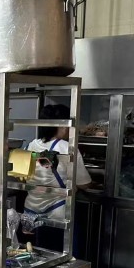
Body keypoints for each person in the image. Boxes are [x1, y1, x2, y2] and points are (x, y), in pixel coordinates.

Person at [23, 104, 91, 250]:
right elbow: (84, 183)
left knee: (36, 252)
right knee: (61, 254)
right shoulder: (67, 147)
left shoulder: (31, 145)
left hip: (30, 210)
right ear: (62, 125)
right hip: (57, 211)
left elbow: (23, 175)